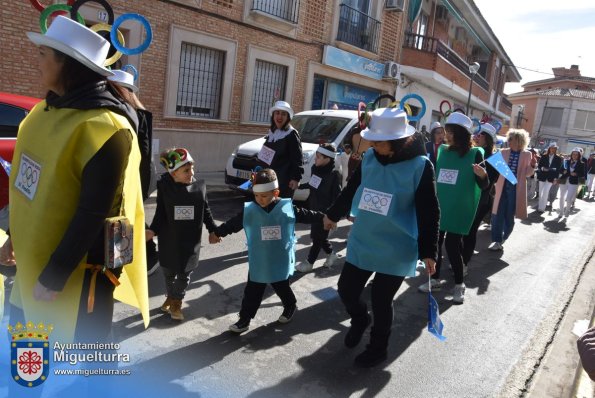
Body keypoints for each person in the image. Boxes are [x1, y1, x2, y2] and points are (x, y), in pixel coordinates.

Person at [2, 16, 148, 343]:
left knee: (86, 361)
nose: (35, 61)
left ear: (67, 65)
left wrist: (55, 275)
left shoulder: (107, 128)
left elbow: (93, 212)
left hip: (79, 274)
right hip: (32, 261)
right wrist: (13, 237)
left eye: (43, 55)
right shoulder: (41, 114)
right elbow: (28, 188)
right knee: (26, 359)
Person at [323, 107, 439, 367]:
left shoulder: (420, 166)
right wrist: (332, 214)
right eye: (372, 139)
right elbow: (351, 189)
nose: (372, 144)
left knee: (381, 301)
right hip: (365, 238)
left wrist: (429, 251)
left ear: (398, 141)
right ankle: (359, 319)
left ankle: (378, 348)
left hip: (397, 245)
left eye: (379, 140)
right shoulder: (370, 158)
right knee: (347, 290)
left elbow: (429, 210)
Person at [213, 169, 323, 333]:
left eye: (264, 196)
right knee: (252, 290)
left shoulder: (286, 208)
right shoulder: (251, 210)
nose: (260, 200)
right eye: (257, 196)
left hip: (279, 259)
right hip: (259, 259)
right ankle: (244, 319)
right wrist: (218, 232)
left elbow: (306, 214)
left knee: (281, 286)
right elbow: (234, 223)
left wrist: (326, 218)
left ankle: (290, 305)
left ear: (276, 192)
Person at [418, 112, 488, 304]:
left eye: (449, 131)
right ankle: (434, 279)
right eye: (445, 131)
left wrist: (482, 176)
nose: (445, 135)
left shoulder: (476, 153)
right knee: (436, 243)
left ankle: (459, 284)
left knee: (452, 245)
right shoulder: (443, 151)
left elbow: (483, 186)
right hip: (441, 205)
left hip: (461, 207)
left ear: (461, 133)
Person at [146, 148, 218, 321]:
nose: (191, 173)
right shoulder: (165, 187)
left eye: (192, 169)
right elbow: (160, 212)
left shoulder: (198, 188)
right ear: (173, 173)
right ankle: (171, 296)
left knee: (185, 274)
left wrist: (213, 230)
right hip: (169, 239)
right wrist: (153, 230)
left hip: (190, 240)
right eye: (186, 170)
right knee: (168, 272)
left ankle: (176, 301)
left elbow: (206, 211)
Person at [108, 69, 159, 276]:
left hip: (135, 178)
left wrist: (134, 184)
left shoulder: (133, 114)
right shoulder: (135, 111)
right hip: (136, 178)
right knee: (130, 218)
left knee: (127, 220)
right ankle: (134, 258)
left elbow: (142, 155)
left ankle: (145, 258)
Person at [296, 144, 342, 272]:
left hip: (326, 213)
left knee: (317, 238)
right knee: (319, 237)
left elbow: (337, 197)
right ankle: (332, 254)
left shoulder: (334, 175)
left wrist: (334, 217)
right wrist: (299, 185)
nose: (315, 159)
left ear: (328, 159)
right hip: (313, 209)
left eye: (318, 157)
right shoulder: (315, 168)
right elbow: (313, 184)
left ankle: (309, 263)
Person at [488, 129, 535, 250]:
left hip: (516, 187)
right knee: (497, 214)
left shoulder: (527, 154)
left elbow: (528, 174)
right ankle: (496, 241)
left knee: (509, 215)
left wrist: (533, 166)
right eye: (509, 139)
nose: (508, 141)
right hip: (502, 185)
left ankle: (504, 236)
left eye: (511, 139)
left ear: (519, 141)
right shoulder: (503, 152)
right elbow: (496, 167)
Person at [462, 123, 499, 265]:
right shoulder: (471, 152)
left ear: (488, 138)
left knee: (470, 231)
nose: (476, 136)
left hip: (481, 200)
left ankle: (464, 263)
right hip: (465, 198)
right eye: (476, 133)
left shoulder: (495, 158)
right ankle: (459, 260)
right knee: (461, 231)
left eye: (481, 134)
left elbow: (491, 183)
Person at [257, 101, 303, 198]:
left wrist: (296, 178)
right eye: (277, 113)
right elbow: (265, 156)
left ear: (288, 117)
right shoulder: (272, 133)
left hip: (284, 182)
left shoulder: (291, 134)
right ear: (273, 115)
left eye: (283, 114)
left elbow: (297, 158)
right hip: (269, 180)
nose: (280, 117)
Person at [557, 148, 585, 218]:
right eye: (573, 154)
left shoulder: (581, 164)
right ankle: (561, 212)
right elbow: (560, 170)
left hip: (573, 182)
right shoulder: (566, 161)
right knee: (561, 197)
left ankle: (567, 210)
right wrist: (563, 171)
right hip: (564, 180)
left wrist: (576, 174)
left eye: (576, 154)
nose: (574, 156)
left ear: (579, 155)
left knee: (569, 198)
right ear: (571, 154)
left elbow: (582, 174)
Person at [537, 142, 563, 212]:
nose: (552, 149)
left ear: (556, 149)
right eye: (551, 148)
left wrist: (555, 179)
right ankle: (540, 205)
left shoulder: (559, 158)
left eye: (554, 148)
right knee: (540, 192)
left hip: (551, 178)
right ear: (549, 148)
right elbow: (539, 166)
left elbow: (558, 170)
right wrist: (543, 168)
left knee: (545, 192)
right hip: (542, 176)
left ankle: (542, 208)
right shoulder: (544, 156)